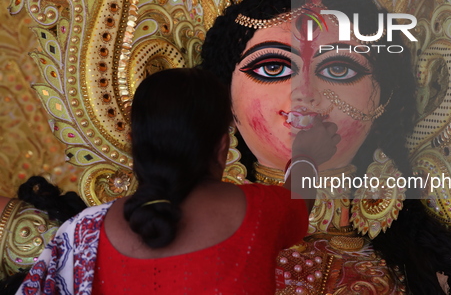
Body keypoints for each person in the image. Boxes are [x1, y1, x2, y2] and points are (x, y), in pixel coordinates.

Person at [201, 0, 451, 294]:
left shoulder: (425, 266)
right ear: (225, 96)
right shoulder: (186, 240)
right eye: (273, 68)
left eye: (339, 69)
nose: (304, 94)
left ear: (386, 97)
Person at [16, 67, 340, 294]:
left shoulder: (86, 233)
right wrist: (306, 156)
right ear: (222, 148)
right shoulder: (257, 211)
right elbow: (298, 201)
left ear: (133, 142)